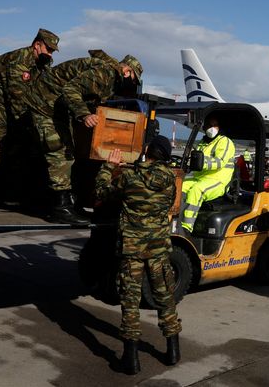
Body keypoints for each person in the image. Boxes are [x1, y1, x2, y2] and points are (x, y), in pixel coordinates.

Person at [95, 137, 181, 375]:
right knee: (164, 297)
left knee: (130, 302)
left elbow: (102, 192)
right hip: (158, 249)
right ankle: (173, 350)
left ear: (146, 151)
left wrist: (109, 166)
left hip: (132, 249)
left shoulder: (130, 177)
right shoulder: (170, 181)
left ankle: (131, 359)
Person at [25, 50, 143, 223]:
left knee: (71, 152)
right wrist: (84, 115)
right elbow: (70, 89)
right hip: (44, 104)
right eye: (133, 78)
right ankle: (61, 208)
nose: (132, 82)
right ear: (127, 71)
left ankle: (67, 203)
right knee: (60, 152)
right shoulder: (106, 73)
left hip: (55, 108)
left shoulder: (109, 75)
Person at [0, 28, 59, 210]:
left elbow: (44, 91)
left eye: (52, 51)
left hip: (5, 105)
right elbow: (18, 98)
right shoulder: (19, 61)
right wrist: (34, 123)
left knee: (17, 147)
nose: (49, 54)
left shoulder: (41, 64)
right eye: (47, 49)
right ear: (37, 45)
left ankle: (5, 192)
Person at [180, 115, 236, 232]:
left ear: (219, 127)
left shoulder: (224, 142)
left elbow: (220, 161)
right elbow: (195, 158)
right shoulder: (203, 142)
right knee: (179, 186)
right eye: (209, 125)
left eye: (214, 125)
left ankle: (186, 228)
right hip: (200, 177)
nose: (212, 128)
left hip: (217, 180)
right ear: (204, 127)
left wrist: (201, 163)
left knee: (197, 190)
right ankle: (175, 219)